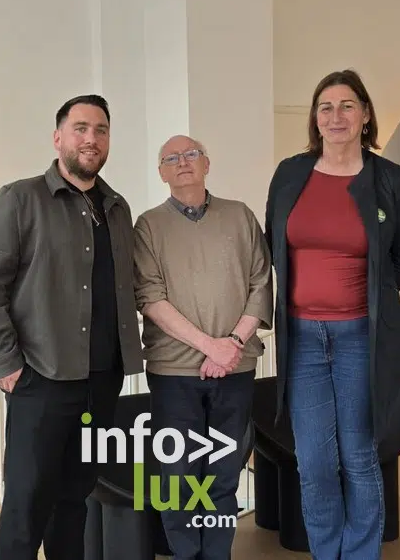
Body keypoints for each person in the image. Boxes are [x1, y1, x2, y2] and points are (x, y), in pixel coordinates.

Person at [0, 94, 144, 560]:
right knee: (26, 506)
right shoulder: (20, 199)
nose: (92, 139)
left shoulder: (117, 207)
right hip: (41, 378)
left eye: (101, 130)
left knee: (75, 499)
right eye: (80, 128)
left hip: (102, 380)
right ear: (58, 138)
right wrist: (7, 363)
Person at [262, 69, 400, 559]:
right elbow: (274, 244)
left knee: (358, 455)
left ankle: (360, 554)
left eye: (347, 106)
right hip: (301, 338)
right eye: (326, 107)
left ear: (365, 115)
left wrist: (370, 294)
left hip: (360, 337)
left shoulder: (389, 179)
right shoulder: (290, 173)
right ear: (315, 118)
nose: (336, 116)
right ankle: (326, 552)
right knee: (312, 461)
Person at [133, 135, 272, 560]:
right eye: (171, 158)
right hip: (174, 373)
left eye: (191, 154)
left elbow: (261, 283)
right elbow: (149, 297)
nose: (182, 162)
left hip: (235, 369)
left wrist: (233, 344)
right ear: (161, 172)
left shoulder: (240, 216)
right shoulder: (148, 226)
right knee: (179, 477)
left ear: (207, 163)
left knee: (224, 475)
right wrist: (211, 346)